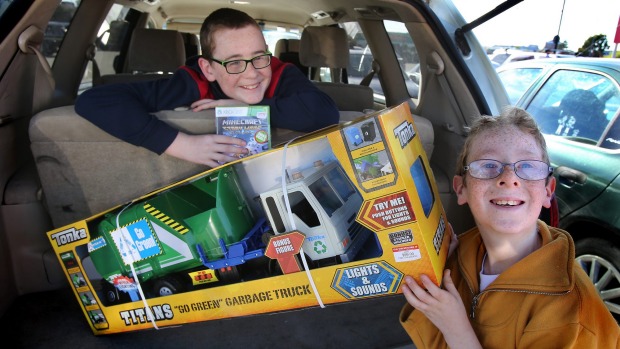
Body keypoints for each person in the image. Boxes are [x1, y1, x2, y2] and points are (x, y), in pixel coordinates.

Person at [399, 107, 619, 348]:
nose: (509, 177)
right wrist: (443, 266)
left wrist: (456, 328)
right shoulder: (460, 254)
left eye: (528, 166)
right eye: (488, 165)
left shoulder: (571, 310)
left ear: (548, 191)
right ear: (461, 189)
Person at [75, 8, 339, 168]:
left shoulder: (281, 74)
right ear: (208, 68)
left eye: (259, 56)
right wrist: (180, 144)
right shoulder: (192, 83)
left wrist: (249, 109)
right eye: (234, 62)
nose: (252, 72)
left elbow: (325, 113)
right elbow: (94, 101)